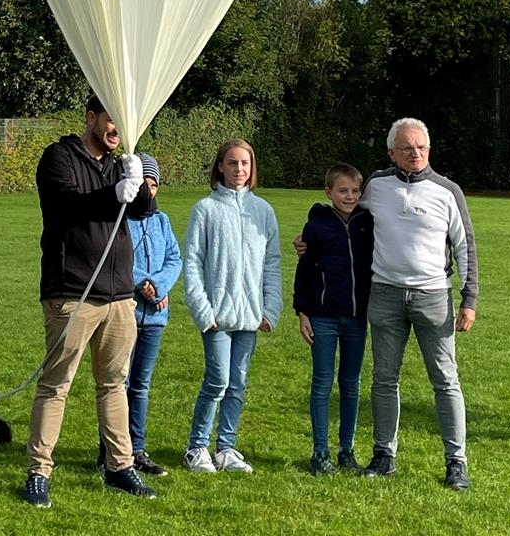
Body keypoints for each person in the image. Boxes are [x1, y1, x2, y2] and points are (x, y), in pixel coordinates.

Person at [23, 94, 157, 508]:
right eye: (111, 120)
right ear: (91, 118)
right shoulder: (58, 157)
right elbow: (67, 206)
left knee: (113, 384)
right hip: (72, 292)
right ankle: (38, 472)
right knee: (55, 385)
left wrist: (140, 186)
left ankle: (120, 465)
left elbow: (142, 212)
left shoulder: (121, 161)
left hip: (119, 295)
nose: (118, 129)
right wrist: (114, 191)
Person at [358, 117, 477, 490]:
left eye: (422, 147)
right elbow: (346, 219)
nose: (415, 154)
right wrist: (310, 238)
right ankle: (383, 454)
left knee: (446, 381)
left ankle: (456, 462)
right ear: (392, 151)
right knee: (383, 379)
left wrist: (469, 298)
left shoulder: (447, 191)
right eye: (407, 148)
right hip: (385, 294)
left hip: (434, 297)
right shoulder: (375, 185)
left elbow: (465, 245)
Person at [182, 138, 283, 474]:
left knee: (238, 382)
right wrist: (203, 310)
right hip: (216, 316)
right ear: (220, 167)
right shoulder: (205, 210)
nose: (239, 170)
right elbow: (193, 262)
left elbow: (272, 262)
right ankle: (197, 447)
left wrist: (271, 309)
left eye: (245, 164)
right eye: (232, 163)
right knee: (218, 380)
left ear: (252, 168)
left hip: (250, 316)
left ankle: (226, 447)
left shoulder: (264, 211)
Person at [100, 153, 181, 477]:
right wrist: (141, 284)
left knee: (141, 385)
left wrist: (158, 286)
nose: (147, 192)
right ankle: (109, 449)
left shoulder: (162, 221)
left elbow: (174, 258)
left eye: (152, 185)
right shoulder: (119, 219)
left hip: (156, 317)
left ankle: (137, 449)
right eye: (141, 185)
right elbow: (114, 259)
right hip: (126, 312)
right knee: (117, 382)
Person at [292, 163, 372, 475]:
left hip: (356, 318)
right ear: (329, 193)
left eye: (355, 191)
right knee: (322, 383)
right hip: (323, 317)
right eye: (342, 191)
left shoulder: (368, 224)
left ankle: (347, 449)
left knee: (351, 384)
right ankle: (320, 451)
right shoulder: (317, 226)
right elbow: (304, 271)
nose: (349, 196)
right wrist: (302, 311)